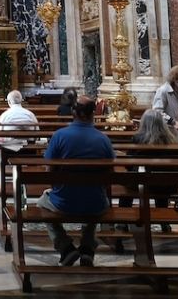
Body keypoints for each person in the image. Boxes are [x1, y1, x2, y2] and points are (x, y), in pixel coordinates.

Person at [36, 96, 116, 267]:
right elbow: (110, 175)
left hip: (64, 202)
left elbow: (48, 171)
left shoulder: (59, 136)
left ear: (73, 112)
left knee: (41, 204)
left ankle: (65, 247)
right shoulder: (103, 139)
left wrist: (56, 189)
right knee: (95, 199)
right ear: (93, 113)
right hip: (96, 202)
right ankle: (87, 248)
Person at [152, 66, 178, 142]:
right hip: (166, 131)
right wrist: (173, 122)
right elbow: (157, 112)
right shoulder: (163, 91)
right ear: (176, 80)